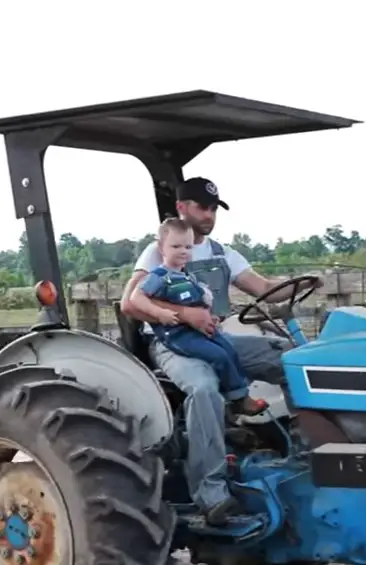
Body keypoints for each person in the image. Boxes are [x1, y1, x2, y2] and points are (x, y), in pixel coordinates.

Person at [119, 176, 321, 525]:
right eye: (202, 207)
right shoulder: (159, 251)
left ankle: (309, 455)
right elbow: (130, 303)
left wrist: (302, 281)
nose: (209, 214)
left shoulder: (221, 253)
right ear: (182, 208)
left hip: (215, 339)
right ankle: (210, 493)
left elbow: (263, 288)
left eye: (214, 208)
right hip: (171, 343)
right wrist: (186, 315)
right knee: (203, 388)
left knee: (292, 359)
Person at [130, 217, 269, 416]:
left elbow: (199, 302)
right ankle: (238, 400)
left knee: (228, 349)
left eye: (187, 246)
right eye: (176, 246)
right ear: (161, 248)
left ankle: (239, 396)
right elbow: (136, 297)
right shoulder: (159, 277)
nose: (183, 251)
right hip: (176, 335)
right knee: (217, 356)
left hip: (196, 330)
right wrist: (160, 313)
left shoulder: (186, 277)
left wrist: (208, 313)